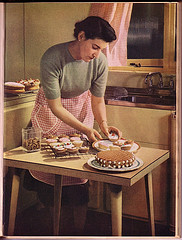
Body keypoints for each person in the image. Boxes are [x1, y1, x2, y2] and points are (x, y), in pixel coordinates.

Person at [25, 16, 122, 235]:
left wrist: (103, 125)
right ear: (81, 36)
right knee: (51, 180)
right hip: (52, 115)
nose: (97, 54)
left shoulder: (99, 62)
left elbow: (97, 100)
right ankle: (55, 232)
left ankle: (79, 232)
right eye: (95, 47)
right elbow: (56, 107)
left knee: (79, 179)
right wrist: (87, 130)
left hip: (81, 111)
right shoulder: (52, 57)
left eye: (102, 49)